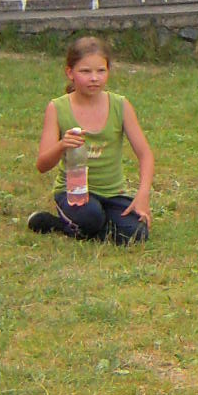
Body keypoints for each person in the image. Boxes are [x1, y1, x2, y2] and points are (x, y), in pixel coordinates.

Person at [29, 36, 153, 243]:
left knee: (137, 234)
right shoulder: (57, 108)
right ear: (70, 73)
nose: (94, 78)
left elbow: (145, 154)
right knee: (91, 216)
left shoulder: (120, 105)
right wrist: (62, 145)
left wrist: (143, 195)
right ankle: (73, 223)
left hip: (113, 193)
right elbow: (42, 165)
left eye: (101, 71)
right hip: (74, 193)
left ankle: (70, 227)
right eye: (85, 71)